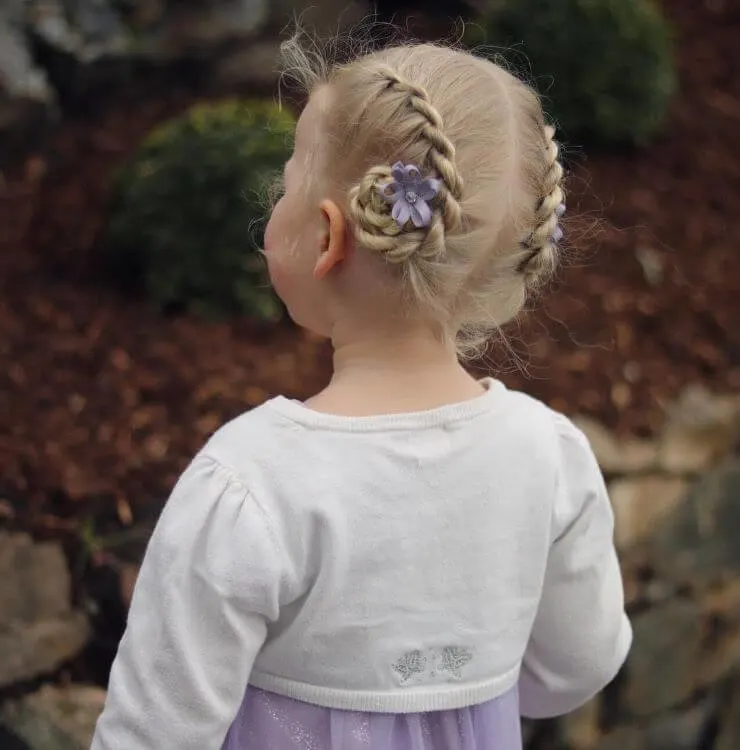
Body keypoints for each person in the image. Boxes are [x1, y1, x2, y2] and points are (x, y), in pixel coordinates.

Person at [90, 31, 632, 750]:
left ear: (325, 238)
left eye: (284, 184)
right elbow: (573, 669)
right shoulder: (548, 457)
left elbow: (150, 733)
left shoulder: (252, 483)